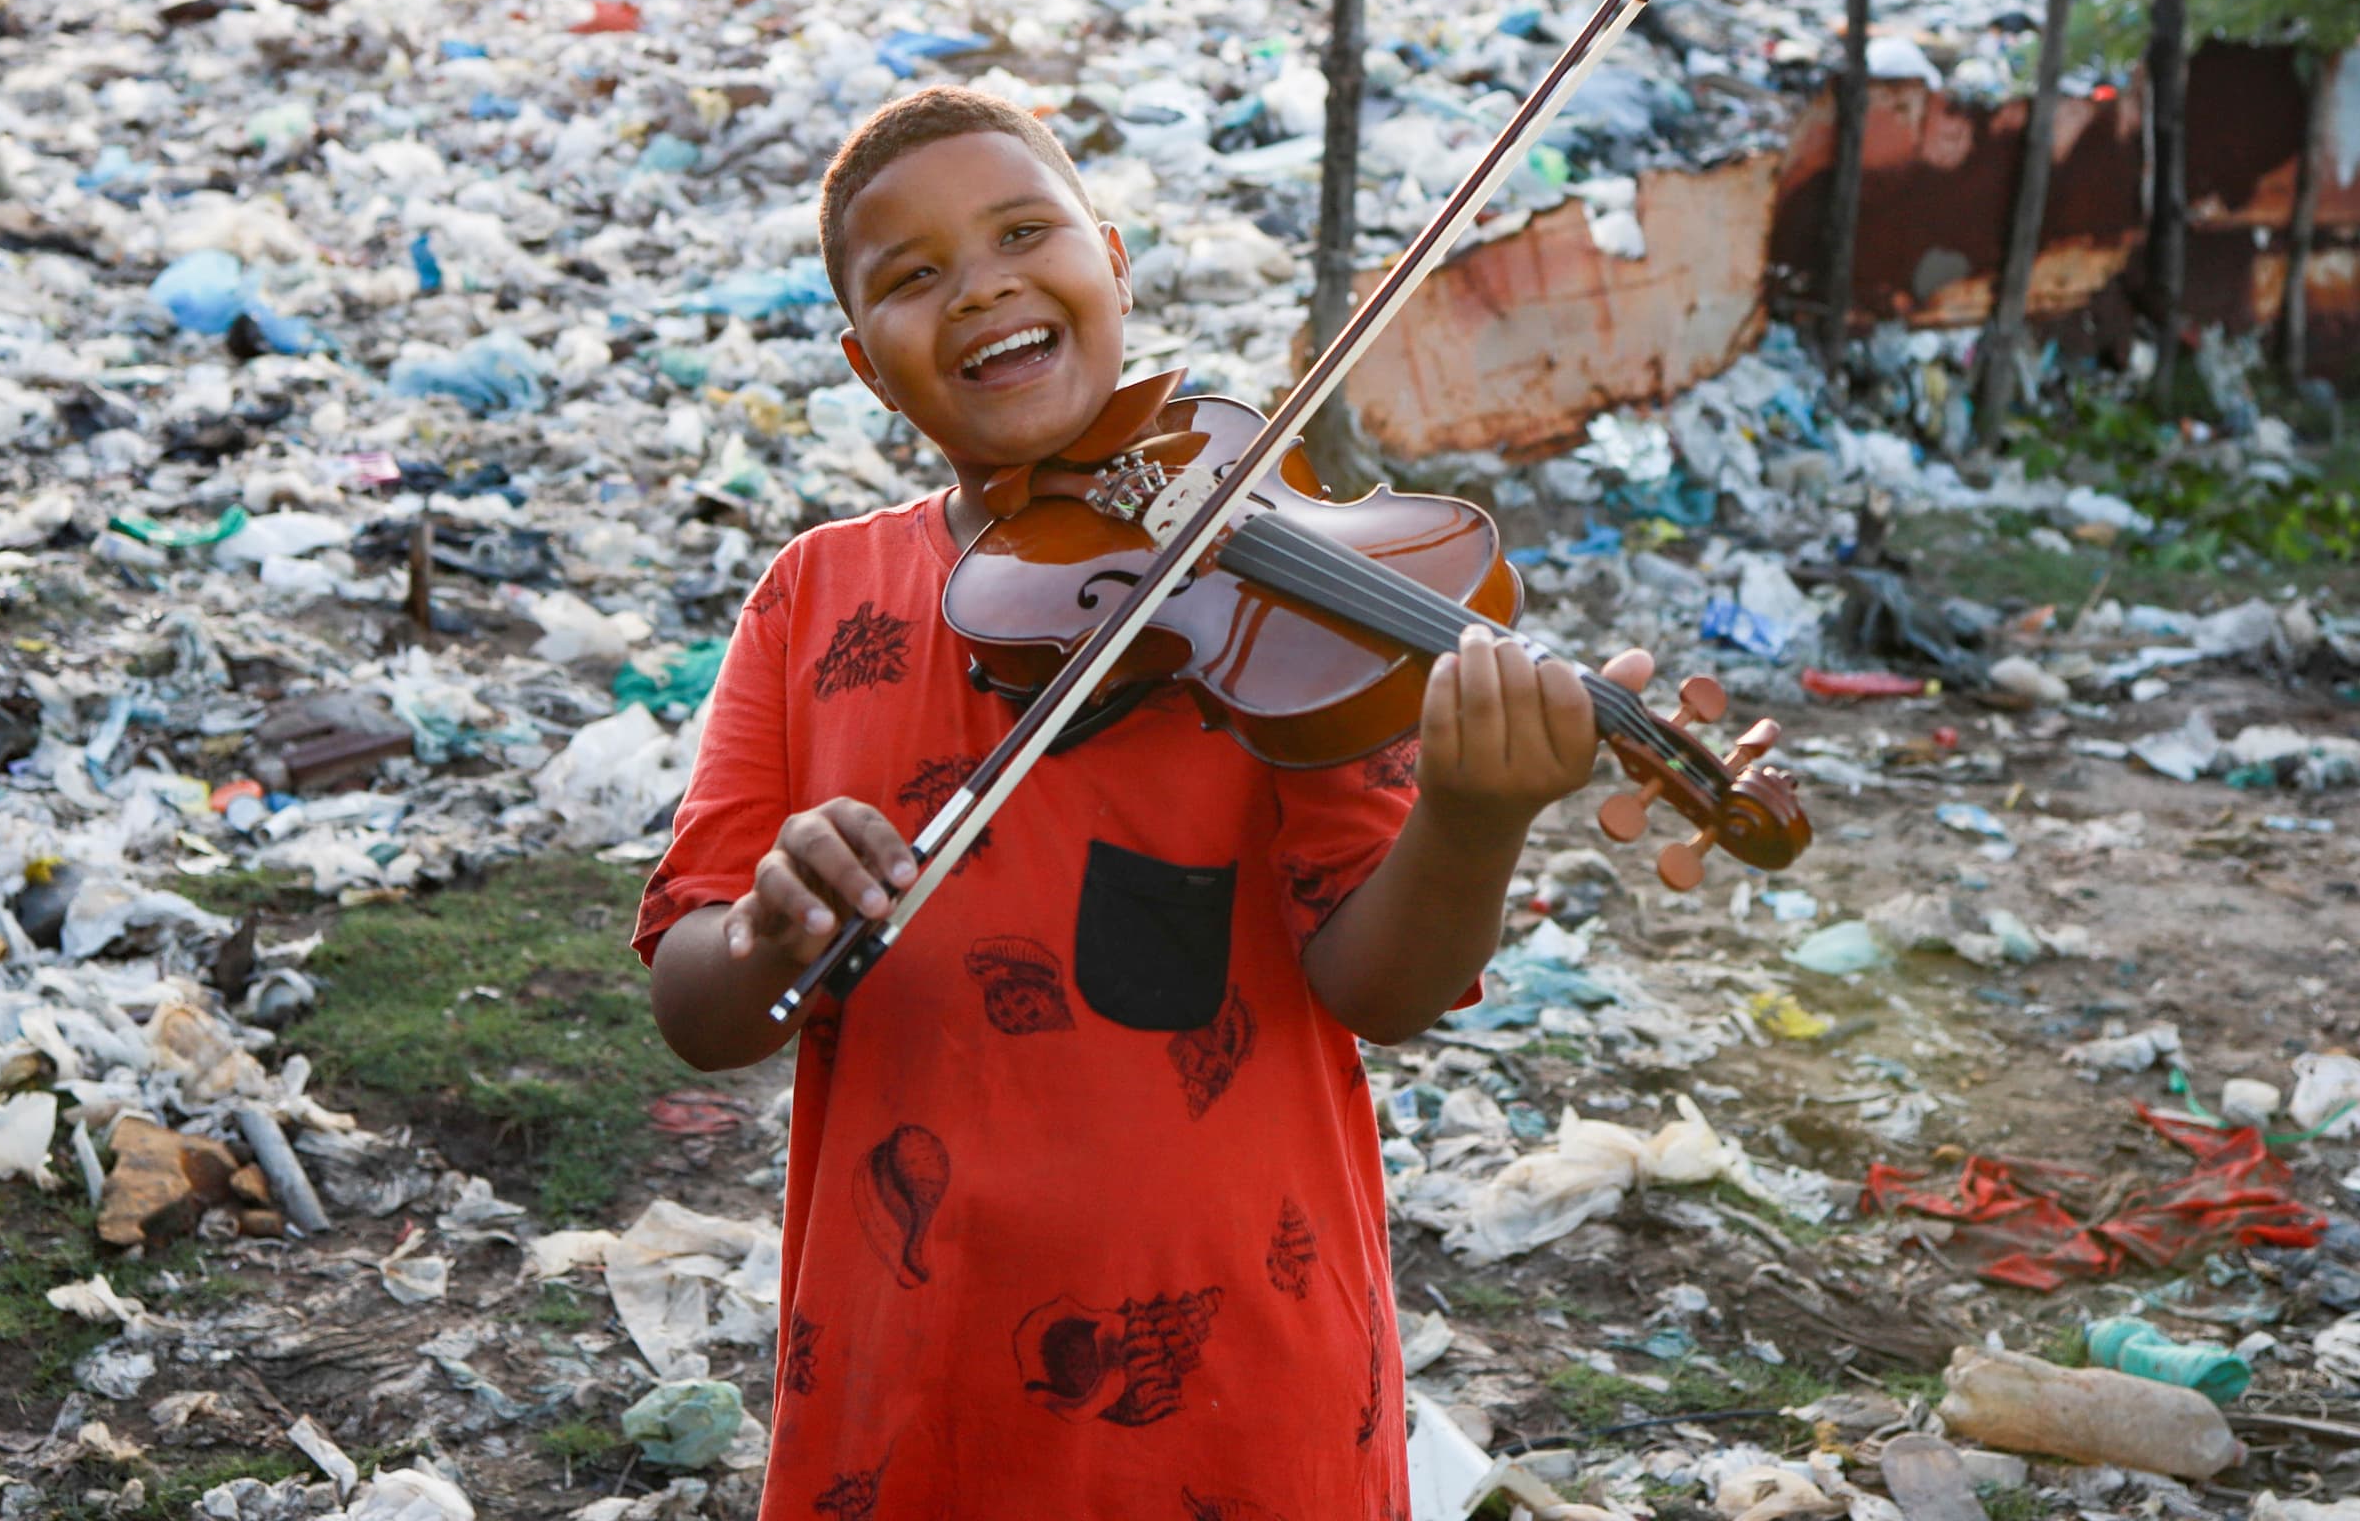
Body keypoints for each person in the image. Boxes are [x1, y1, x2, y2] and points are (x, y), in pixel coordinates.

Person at [639, 85, 1658, 1519]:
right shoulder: (814, 600)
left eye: (1021, 233)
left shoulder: (1277, 592)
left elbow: (1383, 982)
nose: (982, 286)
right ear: (869, 366)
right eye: (914, 276)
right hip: (911, 1372)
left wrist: (1475, 821)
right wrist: (764, 935)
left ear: (1111, 263)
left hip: (1237, 1364)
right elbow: (696, 1004)